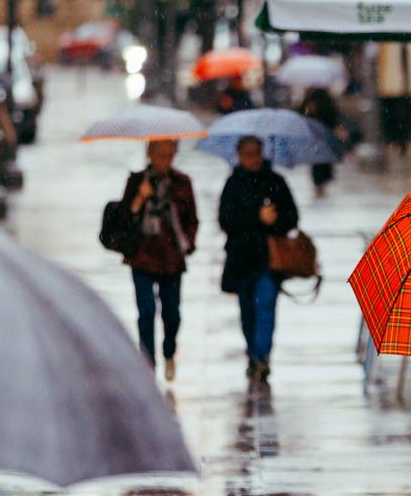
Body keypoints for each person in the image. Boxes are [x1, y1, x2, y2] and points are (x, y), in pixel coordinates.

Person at [117, 139, 198, 380]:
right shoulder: (136, 181)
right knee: (146, 311)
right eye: (161, 155)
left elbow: (191, 220)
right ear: (149, 154)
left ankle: (169, 350)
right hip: (142, 256)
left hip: (171, 257)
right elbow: (123, 219)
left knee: (172, 314)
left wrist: (188, 243)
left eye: (170, 155)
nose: (165, 161)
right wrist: (139, 200)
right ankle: (148, 363)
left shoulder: (182, 183)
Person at [218, 134, 297, 382]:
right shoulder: (233, 184)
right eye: (248, 155)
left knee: (265, 305)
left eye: (257, 154)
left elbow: (292, 217)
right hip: (241, 260)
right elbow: (225, 220)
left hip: (269, 260)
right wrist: (256, 217)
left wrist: (275, 220)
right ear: (240, 156)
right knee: (247, 311)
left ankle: (262, 355)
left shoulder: (276, 182)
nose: (253, 160)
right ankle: (253, 353)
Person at [302, 87, 341, 198]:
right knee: (321, 160)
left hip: (319, 136)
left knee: (319, 160)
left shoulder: (313, 99)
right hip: (321, 136)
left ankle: (320, 183)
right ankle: (320, 182)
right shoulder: (325, 100)